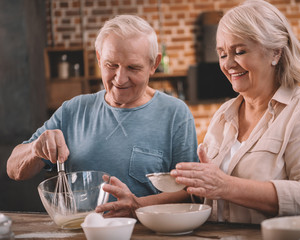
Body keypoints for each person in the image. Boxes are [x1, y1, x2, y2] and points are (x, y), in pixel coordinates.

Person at [7, 15, 198, 218]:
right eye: (111, 65)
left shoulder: (175, 113)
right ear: (99, 58)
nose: (120, 78)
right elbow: (13, 169)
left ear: (154, 64)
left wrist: (137, 205)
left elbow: (190, 193)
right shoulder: (73, 110)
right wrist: (35, 149)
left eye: (133, 67)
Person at [171, 0, 300, 224]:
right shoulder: (223, 115)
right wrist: (138, 205)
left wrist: (224, 186)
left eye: (239, 51)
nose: (229, 64)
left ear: (275, 53)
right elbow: (208, 195)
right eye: (222, 54)